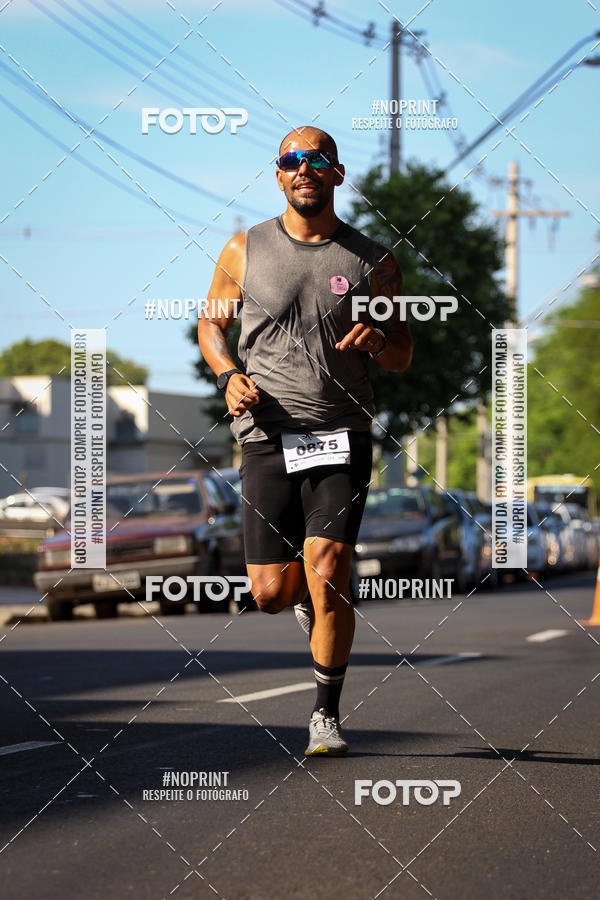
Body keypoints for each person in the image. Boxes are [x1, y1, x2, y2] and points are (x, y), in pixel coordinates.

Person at [198, 127, 413, 756]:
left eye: (316, 160)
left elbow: (401, 353)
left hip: (342, 431)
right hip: (266, 433)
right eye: (291, 161)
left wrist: (379, 341)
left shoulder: (373, 261)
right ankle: (303, 603)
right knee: (271, 594)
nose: (303, 170)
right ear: (278, 175)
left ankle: (325, 714)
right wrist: (228, 374)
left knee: (330, 568)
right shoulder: (244, 248)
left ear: (337, 174)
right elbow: (212, 325)